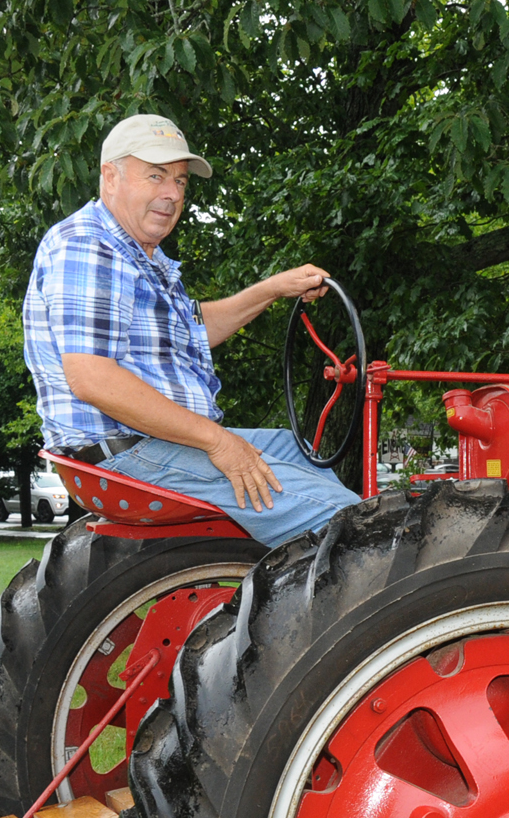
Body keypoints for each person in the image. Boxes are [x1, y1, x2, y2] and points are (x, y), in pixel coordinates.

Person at [22, 113, 361, 546]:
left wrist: (274, 289)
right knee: (349, 522)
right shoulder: (89, 246)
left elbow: (194, 328)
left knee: (304, 455)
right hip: (129, 452)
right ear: (111, 177)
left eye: (180, 182)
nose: (171, 194)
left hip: (150, 444)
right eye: (156, 176)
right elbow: (92, 378)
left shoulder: (141, 256)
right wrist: (217, 442)